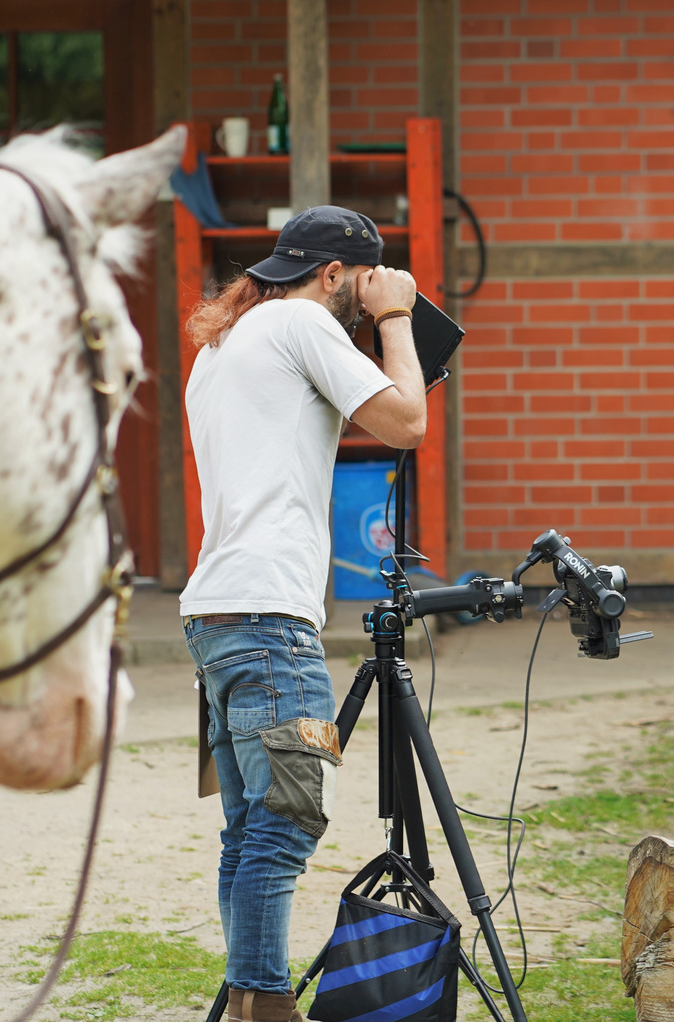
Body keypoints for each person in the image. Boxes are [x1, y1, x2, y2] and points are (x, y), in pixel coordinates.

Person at [179, 206, 425, 1022]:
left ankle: (252, 995)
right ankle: (265, 1004)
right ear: (331, 276)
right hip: (273, 624)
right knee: (292, 818)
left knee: (250, 829)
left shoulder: (224, 345)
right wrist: (394, 318)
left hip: (216, 618)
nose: (369, 292)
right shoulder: (301, 320)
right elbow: (407, 422)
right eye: (363, 279)